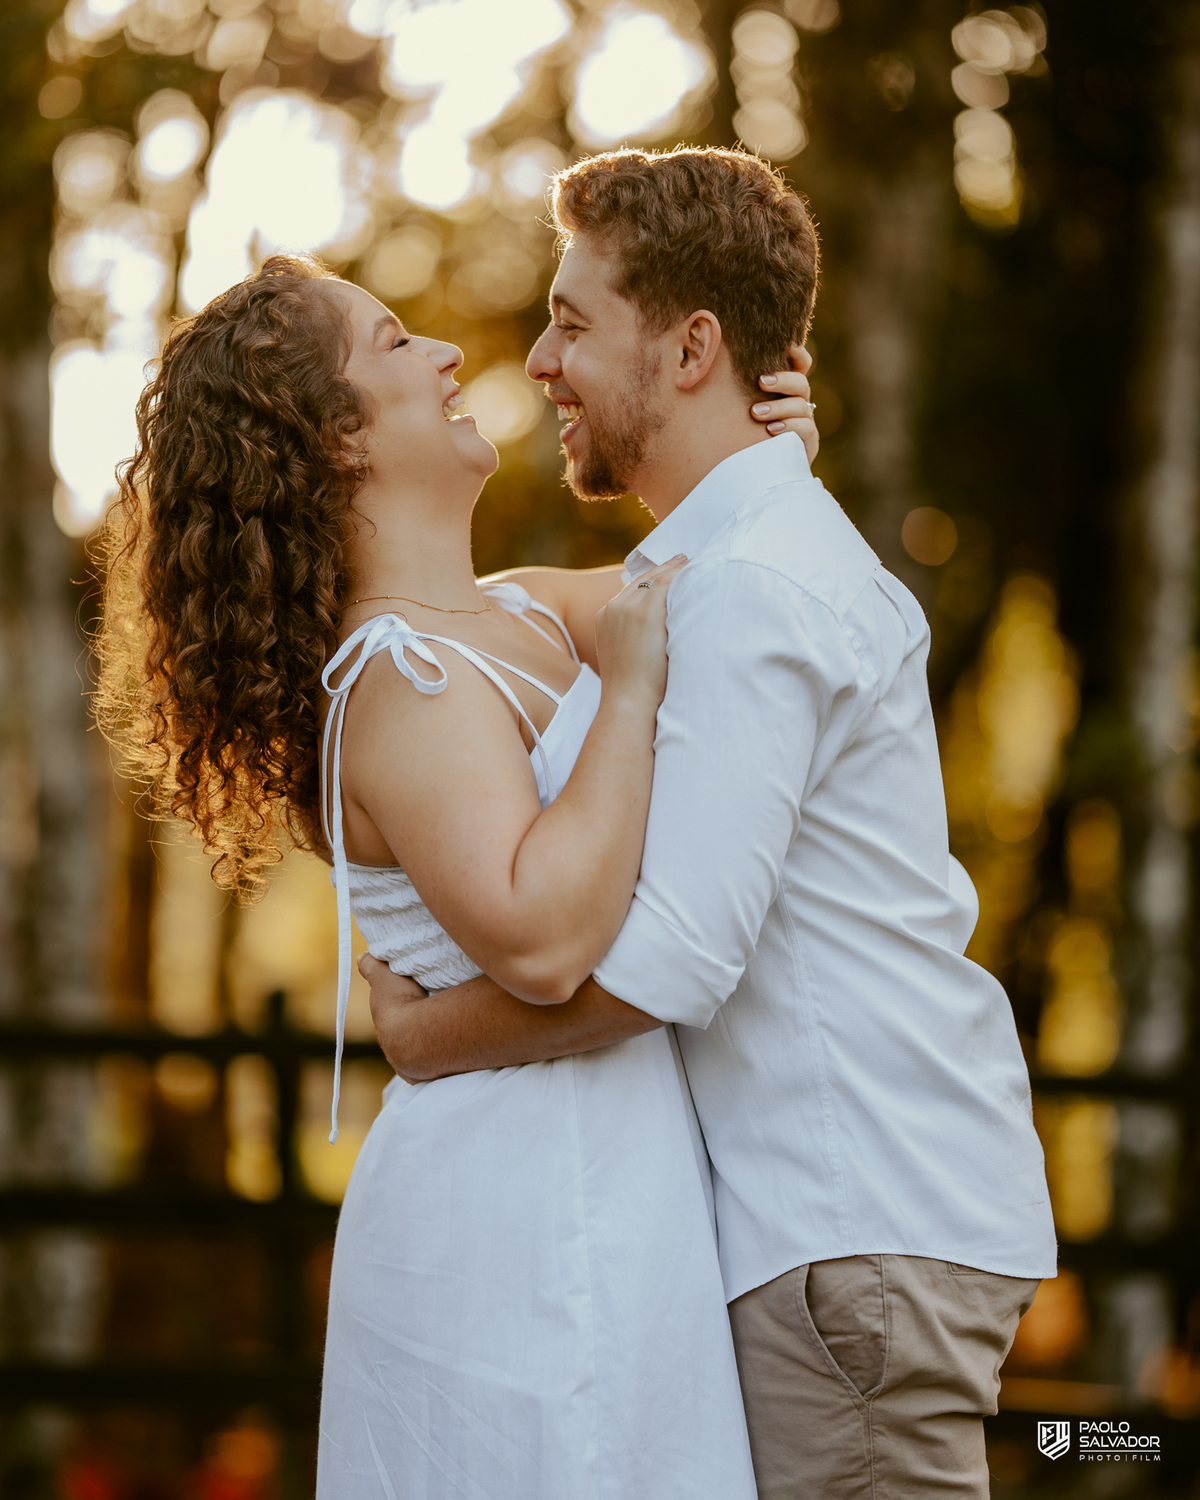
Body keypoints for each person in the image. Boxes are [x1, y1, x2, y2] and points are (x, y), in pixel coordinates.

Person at [364, 146, 1059, 1499]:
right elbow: (571, 604)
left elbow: (675, 959)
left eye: (573, 322)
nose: (543, 363)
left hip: (843, 1234)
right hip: (859, 1230)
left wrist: (425, 1035)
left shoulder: (753, 592)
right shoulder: (739, 559)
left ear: (690, 349)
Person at [94, 246, 818, 1497]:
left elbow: (736, 598)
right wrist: (636, 691)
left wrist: (770, 467)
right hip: (520, 1217)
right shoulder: (395, 682)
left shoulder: (522, 610)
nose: (441, 354)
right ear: (333, 444)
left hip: (625, 1191)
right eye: (390, 345)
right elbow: (540, 937)